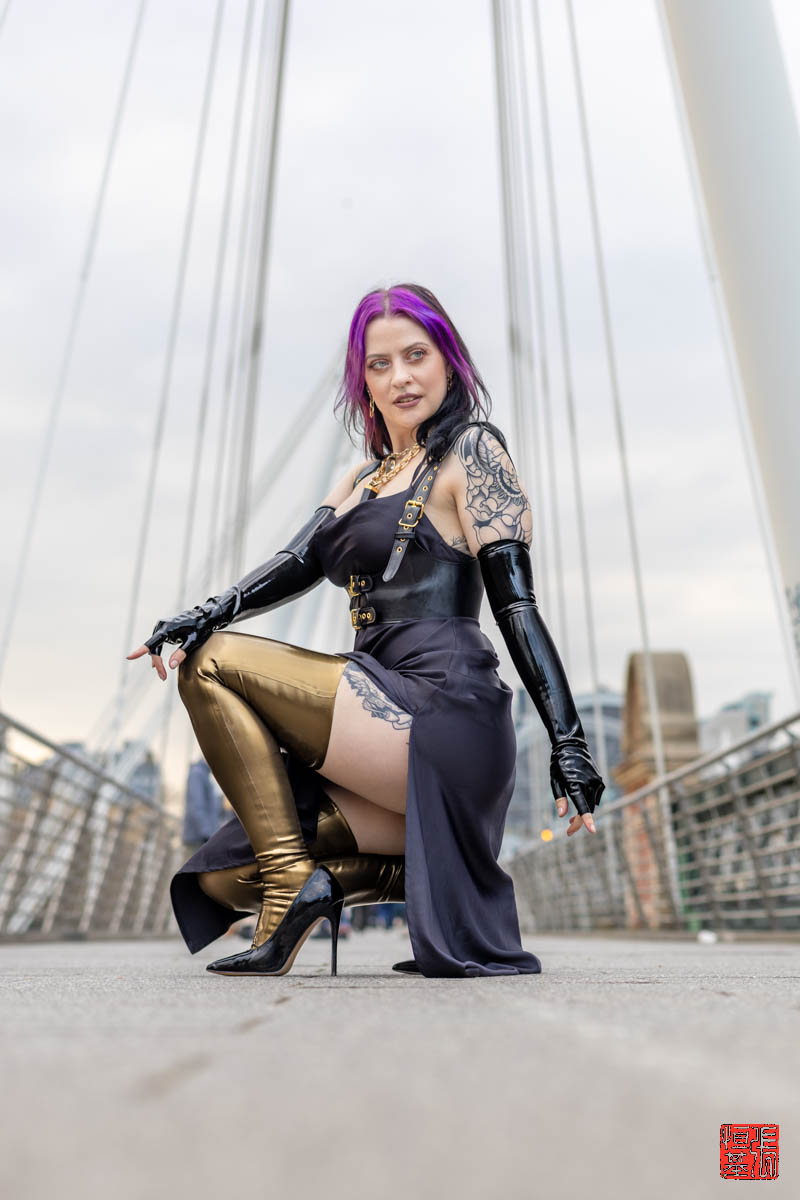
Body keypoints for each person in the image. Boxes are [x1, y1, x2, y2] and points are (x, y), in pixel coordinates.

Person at [127, 282, 605, 978]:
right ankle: (351, 883)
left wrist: (569, 742)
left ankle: (294, 886)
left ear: (449, 361)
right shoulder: (365, 477)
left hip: (443, 708)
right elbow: (297, 562)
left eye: (416, 355)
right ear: (364, 384)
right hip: (375, 697)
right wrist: (205, 612)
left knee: (214, 663)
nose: (401, 377)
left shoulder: (472, 452)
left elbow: (517, 608)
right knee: (222, 881)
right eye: (380, 364)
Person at [182, 755, 225, 855]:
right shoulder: (197, 774)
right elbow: (197, 806)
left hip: (202, 837)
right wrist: (208, 834)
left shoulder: (204, 775)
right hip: (198, 838)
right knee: (193, 865)